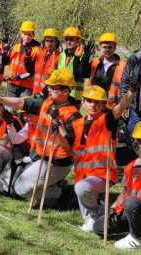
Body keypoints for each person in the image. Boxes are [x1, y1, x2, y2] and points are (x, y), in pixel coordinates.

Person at [0, 68, 82, 205]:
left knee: (21, 190)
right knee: (16, 186)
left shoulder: (73, 116)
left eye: (53, 87)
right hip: (40, 157)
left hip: (57, 162)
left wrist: (57, 129)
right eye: (49, 86)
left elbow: (70, 147)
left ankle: (64, 192)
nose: (49, 89)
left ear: (65, 91)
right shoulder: (46, 102)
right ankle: (52, 187)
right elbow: (20, 102)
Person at [92, 119, 141, 250]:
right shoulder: (130, 166)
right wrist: (114, 208)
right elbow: (126, 191)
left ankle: (137, 238)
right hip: (131, 209)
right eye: (140, 142)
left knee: (131, 203)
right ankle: (133, 228)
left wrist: (138, 150)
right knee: (99, 227)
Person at [59, 85, 123, 232]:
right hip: (82, 174)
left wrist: (130, 94)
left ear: (103, 104)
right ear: (83, 102)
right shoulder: (77, 124)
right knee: (80, 188)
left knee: (81, 189)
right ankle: (94, 217)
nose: (93, 105)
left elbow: (119, 109)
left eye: (97, 102)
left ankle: (99, 212)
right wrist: (57, 131)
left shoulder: (107, 120)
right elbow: (69, 147)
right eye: (89, 101)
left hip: (103, 173)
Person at [87, 32, 126, 109]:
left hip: (111, 106)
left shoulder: (123, 65)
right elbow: (83, 74)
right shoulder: (94, 62)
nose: (107, 49)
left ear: (114, 48)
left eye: (110, 47)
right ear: (100, 47)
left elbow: (125, 87)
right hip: (94, 103)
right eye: (105, 47)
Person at [5, 20, 40, 97]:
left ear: (33, 35)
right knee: (9, 108)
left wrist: (20, 77)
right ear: (21, 34)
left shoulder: (36, 50)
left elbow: (33, 71)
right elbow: (8, 63)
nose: (26, 37)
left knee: (23, 108)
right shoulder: (15, 47)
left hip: (26, 87)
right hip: (12, 84)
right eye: (24, 34)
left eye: (29, 35)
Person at [57, 26, 93, 98]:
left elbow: (82, 74)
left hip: (75, 96)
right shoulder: (62, 55)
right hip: (61, 94)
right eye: (66, 39)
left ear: (78, 41)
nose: (68, 42)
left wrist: (84, 57)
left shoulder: (83, 56)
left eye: (71, 39)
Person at [32, 28, 61, 95]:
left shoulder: (59, 56)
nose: (49, 43)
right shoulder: (39, 53)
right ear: (44, 42)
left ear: (56, 42)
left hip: (48, 93)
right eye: (47, 41)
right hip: (35, 91)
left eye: (51, 41)